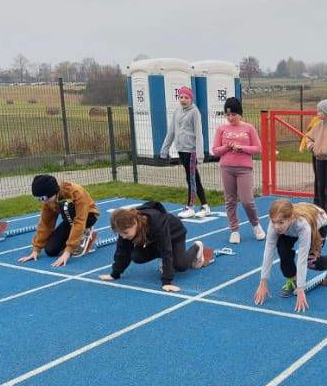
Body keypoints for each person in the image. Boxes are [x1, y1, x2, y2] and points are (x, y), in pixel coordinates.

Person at [253, 199, 327, 313]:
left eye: (280, 222)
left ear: (290, 218)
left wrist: (301, 289)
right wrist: (263, 282)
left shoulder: (303, 225)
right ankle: (291, 280)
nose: (276, 226)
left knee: (312, 262)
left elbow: (302, 259)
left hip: (318, 221)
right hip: (291, 227)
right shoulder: (275, 225)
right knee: (283, 249)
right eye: (274, 222)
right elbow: (268, 251)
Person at [99, 202, 205, 292]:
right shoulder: (124, 228)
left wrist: (166, 281)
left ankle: (197, 247)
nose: (123, 236)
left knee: (181, 266)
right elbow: (122, 251)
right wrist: (115, 274)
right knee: (137, 256)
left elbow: (166, 249)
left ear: (134, 223)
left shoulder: (156, 222)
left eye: (125, 233)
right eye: (120, 233)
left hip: (175, 234)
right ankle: (166, 261)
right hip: (154, 240)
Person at [211, 96, 265, 244]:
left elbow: (258, 148)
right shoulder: (221, 129)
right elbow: (215, 151)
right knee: (230, 201)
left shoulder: (249, 128)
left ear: (240, 114)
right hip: (226, 168)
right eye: (227, 114)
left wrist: (242, 148)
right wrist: (227, 147)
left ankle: (256, 225)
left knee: (247, 201)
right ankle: (234, 230)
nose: (230, 117)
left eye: (233, 114)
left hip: (244, 168)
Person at [17, 175, 99, 267]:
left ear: (53, 192)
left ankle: (85, 232)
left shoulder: (75, 192)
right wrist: (36, 249)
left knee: (67, 205)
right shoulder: (48, 201)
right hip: (69, 220)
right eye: (39, 199)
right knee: (50, 250)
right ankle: (75, 235)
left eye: (43, 198)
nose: (43, 202)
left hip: (88, 216)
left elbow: (79, 220)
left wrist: (68, 251)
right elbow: (46, 223)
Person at [159, 86, 211, 219]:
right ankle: (205, 206)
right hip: (181, 149)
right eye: (181, 97)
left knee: (192, 179)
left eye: (186, 97)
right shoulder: (177, 111)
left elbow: (199, 134)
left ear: (191, 98)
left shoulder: (195, 112)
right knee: (192, 178)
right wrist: (164, 149)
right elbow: (171, 130)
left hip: (191, 151)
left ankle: (191, 206)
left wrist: (200, 154)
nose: (183, 100)